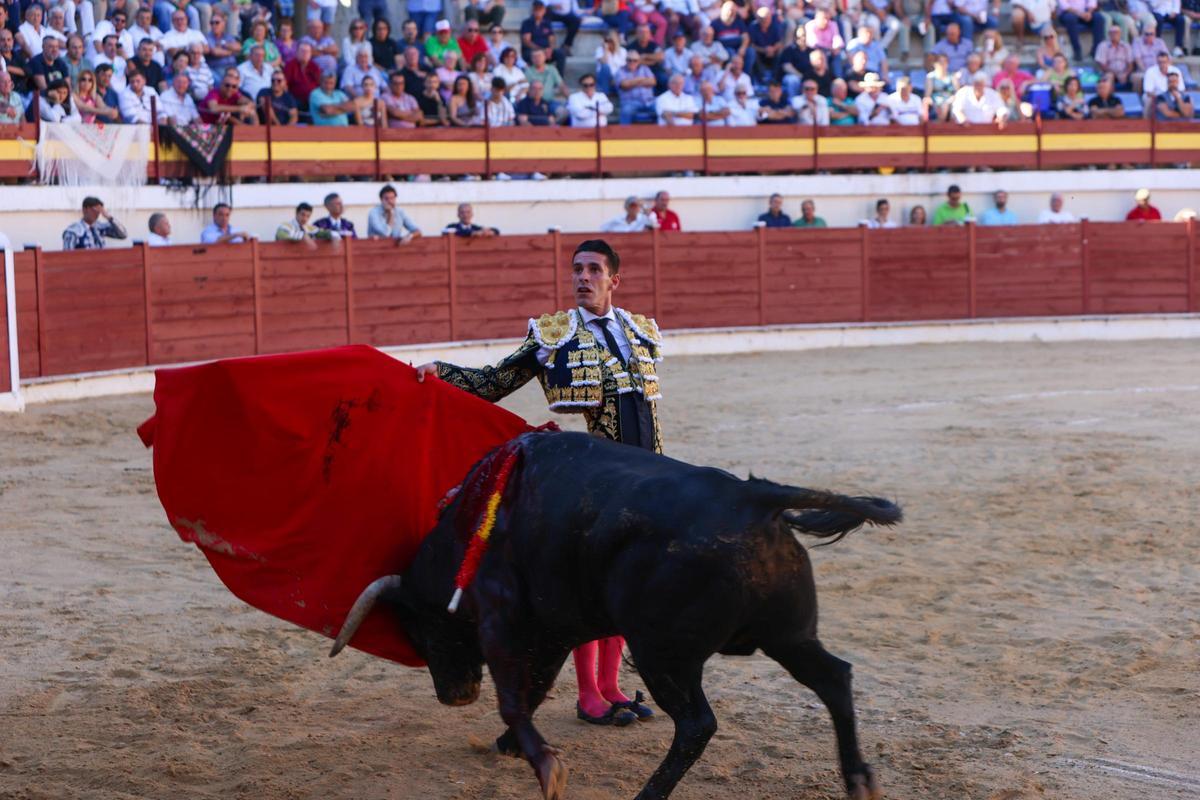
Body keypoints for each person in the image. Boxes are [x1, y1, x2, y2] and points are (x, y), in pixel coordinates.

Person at [414, 238, 663, 728]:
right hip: (599, 482)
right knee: (593, 584)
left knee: (626, 582)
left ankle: (611, 686)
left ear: (615, 279)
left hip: (651, 476)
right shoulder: (553, 335)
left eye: (594, 270)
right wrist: (439, 372)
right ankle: (589, 694)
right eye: (577, 270)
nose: (583, 278)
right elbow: (494, 381)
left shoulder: (641, 331)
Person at [63, 196, 127, 250]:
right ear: (85, 209)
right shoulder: (74, 230)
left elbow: (123, 235)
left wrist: (109, 217)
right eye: (94, 210)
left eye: (99, 211)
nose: (97, 214)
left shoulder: (100, 227)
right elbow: (67, 255)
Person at [616, 50, 656, 124]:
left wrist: (632, 82)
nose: (632, 62)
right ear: (626, 60)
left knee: (662, 108)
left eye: (635, 60)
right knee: (626, 111)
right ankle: (624, 134)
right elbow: (625, 85)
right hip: (630, 102)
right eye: (629, 60)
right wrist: (641, 79)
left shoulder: (645, 68)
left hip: (649, 101)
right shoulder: (620, 71)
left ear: (638, 61)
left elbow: (652, 81)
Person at [1095, 24, 1134, 88]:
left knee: (1135, 78)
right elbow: (1102, 65)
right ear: (1108, 34)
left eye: (1116, 32)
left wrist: (1125, 74)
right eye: (1111, 32)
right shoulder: (1102, 46)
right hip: (1108, 72)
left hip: (1124, 73)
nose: (1114, 34)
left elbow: (1130, 64)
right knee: (1109, 76)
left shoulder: (1126, 46)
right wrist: (1117, 74)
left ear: (1120, 34)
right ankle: (1110, 97)